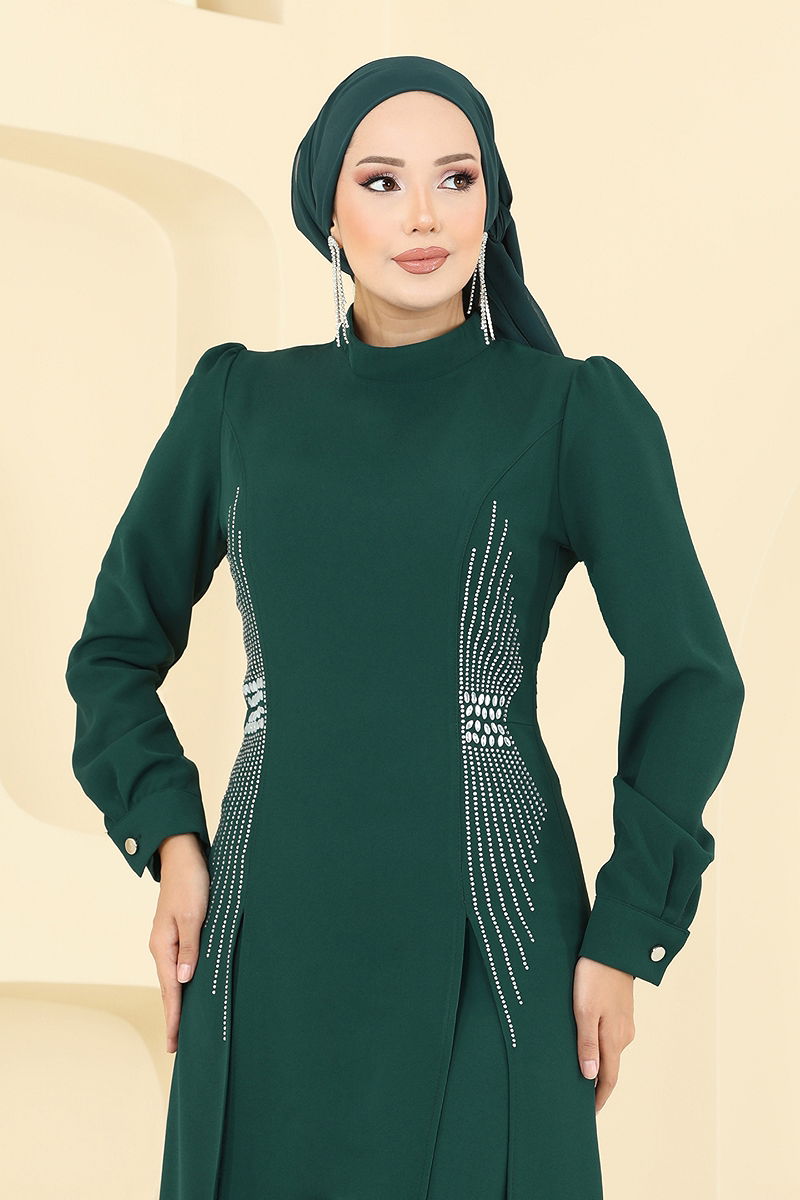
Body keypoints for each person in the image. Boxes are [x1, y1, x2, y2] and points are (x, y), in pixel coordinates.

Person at [64, 54, 745, 1200]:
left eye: (455, 179)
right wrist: (170, 840)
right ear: (326, 209)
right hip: (263, 944)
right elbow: (113, 653)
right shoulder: (238, 403)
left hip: (497, 943)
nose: (423, 216)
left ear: (490, 202)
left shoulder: (570, 410)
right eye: (380, 181)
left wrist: (627, 930)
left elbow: (690, 675)